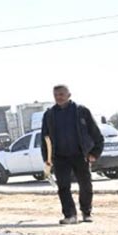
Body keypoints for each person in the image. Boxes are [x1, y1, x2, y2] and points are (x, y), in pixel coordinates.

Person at [41, 84, 104, 225]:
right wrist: (47, 159)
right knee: (63, 187)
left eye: (61, 94)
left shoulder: (81, 111)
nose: (59, 97)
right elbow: (44, 138)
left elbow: (96, 135)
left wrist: (94, 153)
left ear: (69, 95)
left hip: (80, 155)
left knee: (85, 185)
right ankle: (70, 215)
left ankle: (86, 212)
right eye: (56, 95)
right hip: (60, 157)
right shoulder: (49, 115)